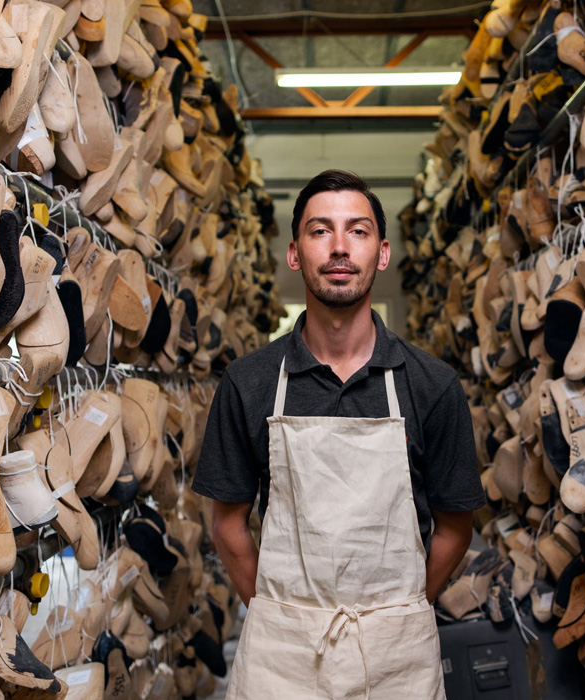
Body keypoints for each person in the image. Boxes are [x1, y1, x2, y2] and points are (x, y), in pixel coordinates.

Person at [192, 170, 485, 698]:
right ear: (295, 253)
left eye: (358, 230)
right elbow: (228, 528)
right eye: (320, 230)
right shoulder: (250, 382)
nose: (340, 247)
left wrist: (398, 614)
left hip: (399, 662)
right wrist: (280, 616)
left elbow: (455, 528)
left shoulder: (431, 386)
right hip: (281, 663)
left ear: (383, 252)